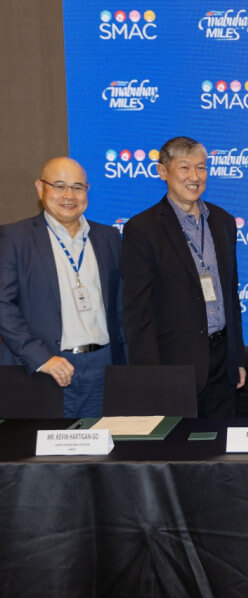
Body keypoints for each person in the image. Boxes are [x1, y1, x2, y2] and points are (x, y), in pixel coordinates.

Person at [121, 136, 246, 417]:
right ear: (162, 171)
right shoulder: (142, 228)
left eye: (201, 168)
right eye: (185, 167)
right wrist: (150, 375)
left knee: (220, 441)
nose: (194, 177)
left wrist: (237, 357)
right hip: (173, 364)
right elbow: (138, 312)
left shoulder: (223, 221)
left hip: (222, 363)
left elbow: (231, 296)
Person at [0, 157, 125, 417]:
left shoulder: (109, 238)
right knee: (45, 443)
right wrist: (40, 358)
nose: (69, 195)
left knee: (104, 441)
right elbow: (3, 305)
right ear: (40, 187)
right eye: (59, 186)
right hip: (45, 369)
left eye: (78, 187)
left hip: (104, 368)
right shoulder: (14, 238)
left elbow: (122, 306)